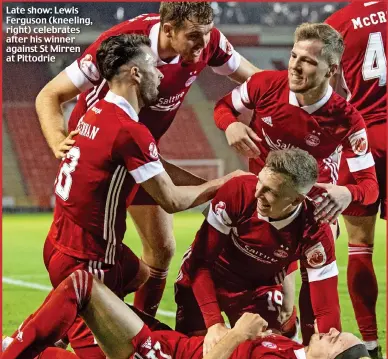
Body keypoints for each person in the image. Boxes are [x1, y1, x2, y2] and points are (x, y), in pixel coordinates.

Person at [9, 34, 243, 359]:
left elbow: (156, 166)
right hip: (85, 260)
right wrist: (224, 184)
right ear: (135, 74)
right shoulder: (130, 130)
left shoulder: (94, 112)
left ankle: (76, 322)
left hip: (66, 242)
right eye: (153, 67)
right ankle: (19, 347)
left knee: (138, 274)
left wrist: (211, 182)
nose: (161, 76)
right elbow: (172, 200)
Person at [35, 1, 261, 318]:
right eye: (195, 36)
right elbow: (49, 94)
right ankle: (55, 333)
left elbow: (259, 80)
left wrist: (294, 102)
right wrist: (60, 142)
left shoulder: (206, 42)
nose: (204, 44)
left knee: (159, 253)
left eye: (207, 35)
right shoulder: (125, 45)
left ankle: (141, 331)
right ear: (168, 29)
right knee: (92, 259)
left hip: (138, 147)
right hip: (102, 155)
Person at [213, 22, 379, 343]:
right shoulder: (263, 85)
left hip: (315, 207)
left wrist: (347, 192)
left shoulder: (346, 118)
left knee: (316, 280)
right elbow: (223, 107)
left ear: (331, 69)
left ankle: (311, 349)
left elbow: (369, 186)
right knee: (283, 308)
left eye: (308, 61)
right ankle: (285, 339)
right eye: (293, 56)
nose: (295, 66)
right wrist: (230, 125)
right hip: (267, 203)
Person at [2, 270, 378, 359]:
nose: (331, 332)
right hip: (167, 346)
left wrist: (236, 333)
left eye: (336, 339)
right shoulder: (298, 357)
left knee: (81, 286)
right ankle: (11, 348)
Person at [175, 148, 340, 352]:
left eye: (271, 191)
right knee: (192, 355)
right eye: (260, 181)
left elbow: (326, 307)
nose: (258, 193)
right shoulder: (238, 191)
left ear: (297, 199)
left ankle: (287, 328)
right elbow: (200, 262)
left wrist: (328, 355)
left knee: (264, 357)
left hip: (259, 288)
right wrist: (214, 324)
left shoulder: (315, 229)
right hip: (209, 278)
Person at [325, 0, 386, 359]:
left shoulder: (339, 23)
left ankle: (371, 343)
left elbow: (325, 86)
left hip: (363, 138)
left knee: (359, 246)